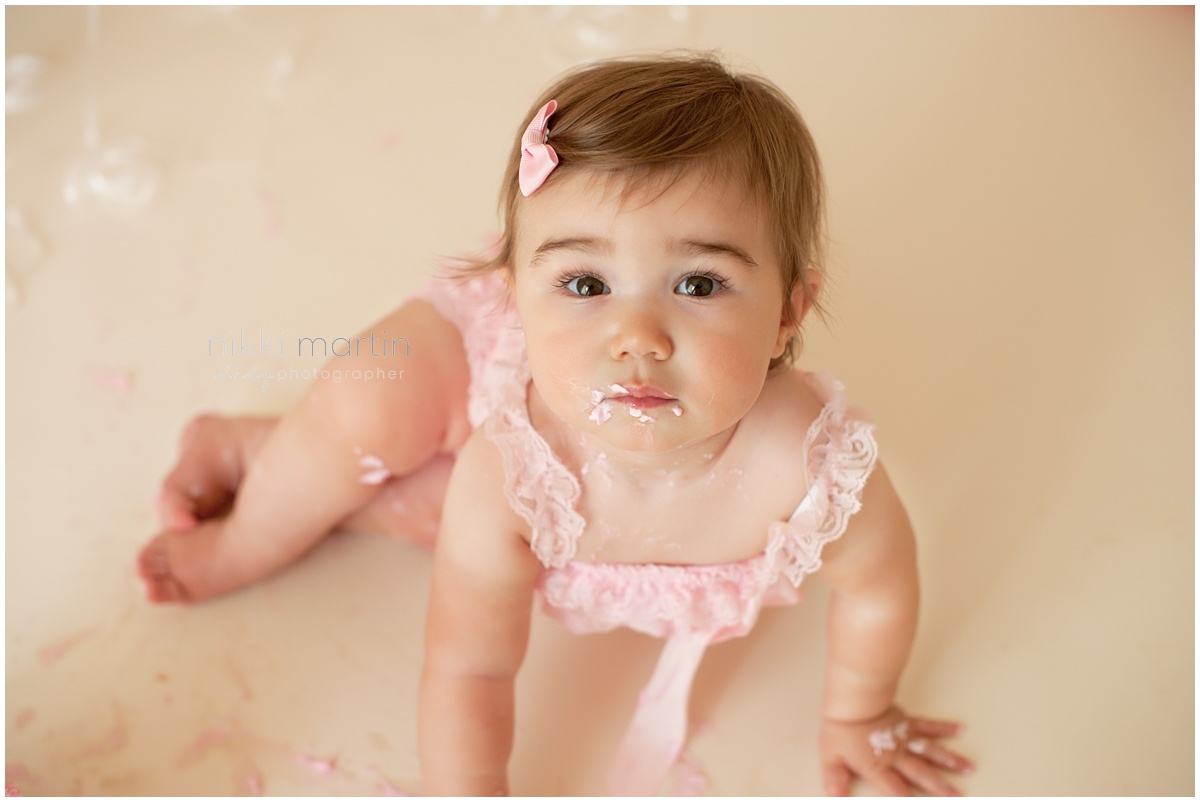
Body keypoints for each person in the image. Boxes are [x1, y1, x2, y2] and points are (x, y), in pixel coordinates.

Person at [137, 53, 973, 796]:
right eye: (584, 284)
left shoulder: (809, 463)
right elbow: (470, 666)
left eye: (699, 285)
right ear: (517, 289)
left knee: (436, 519)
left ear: (791, 311)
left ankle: (249, 446)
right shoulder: (513, 467)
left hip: (514, 491)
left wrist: (860, 711)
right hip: (470, 375)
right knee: (363, 408)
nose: (636, 338)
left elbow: (880, 584)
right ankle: (250, 533)